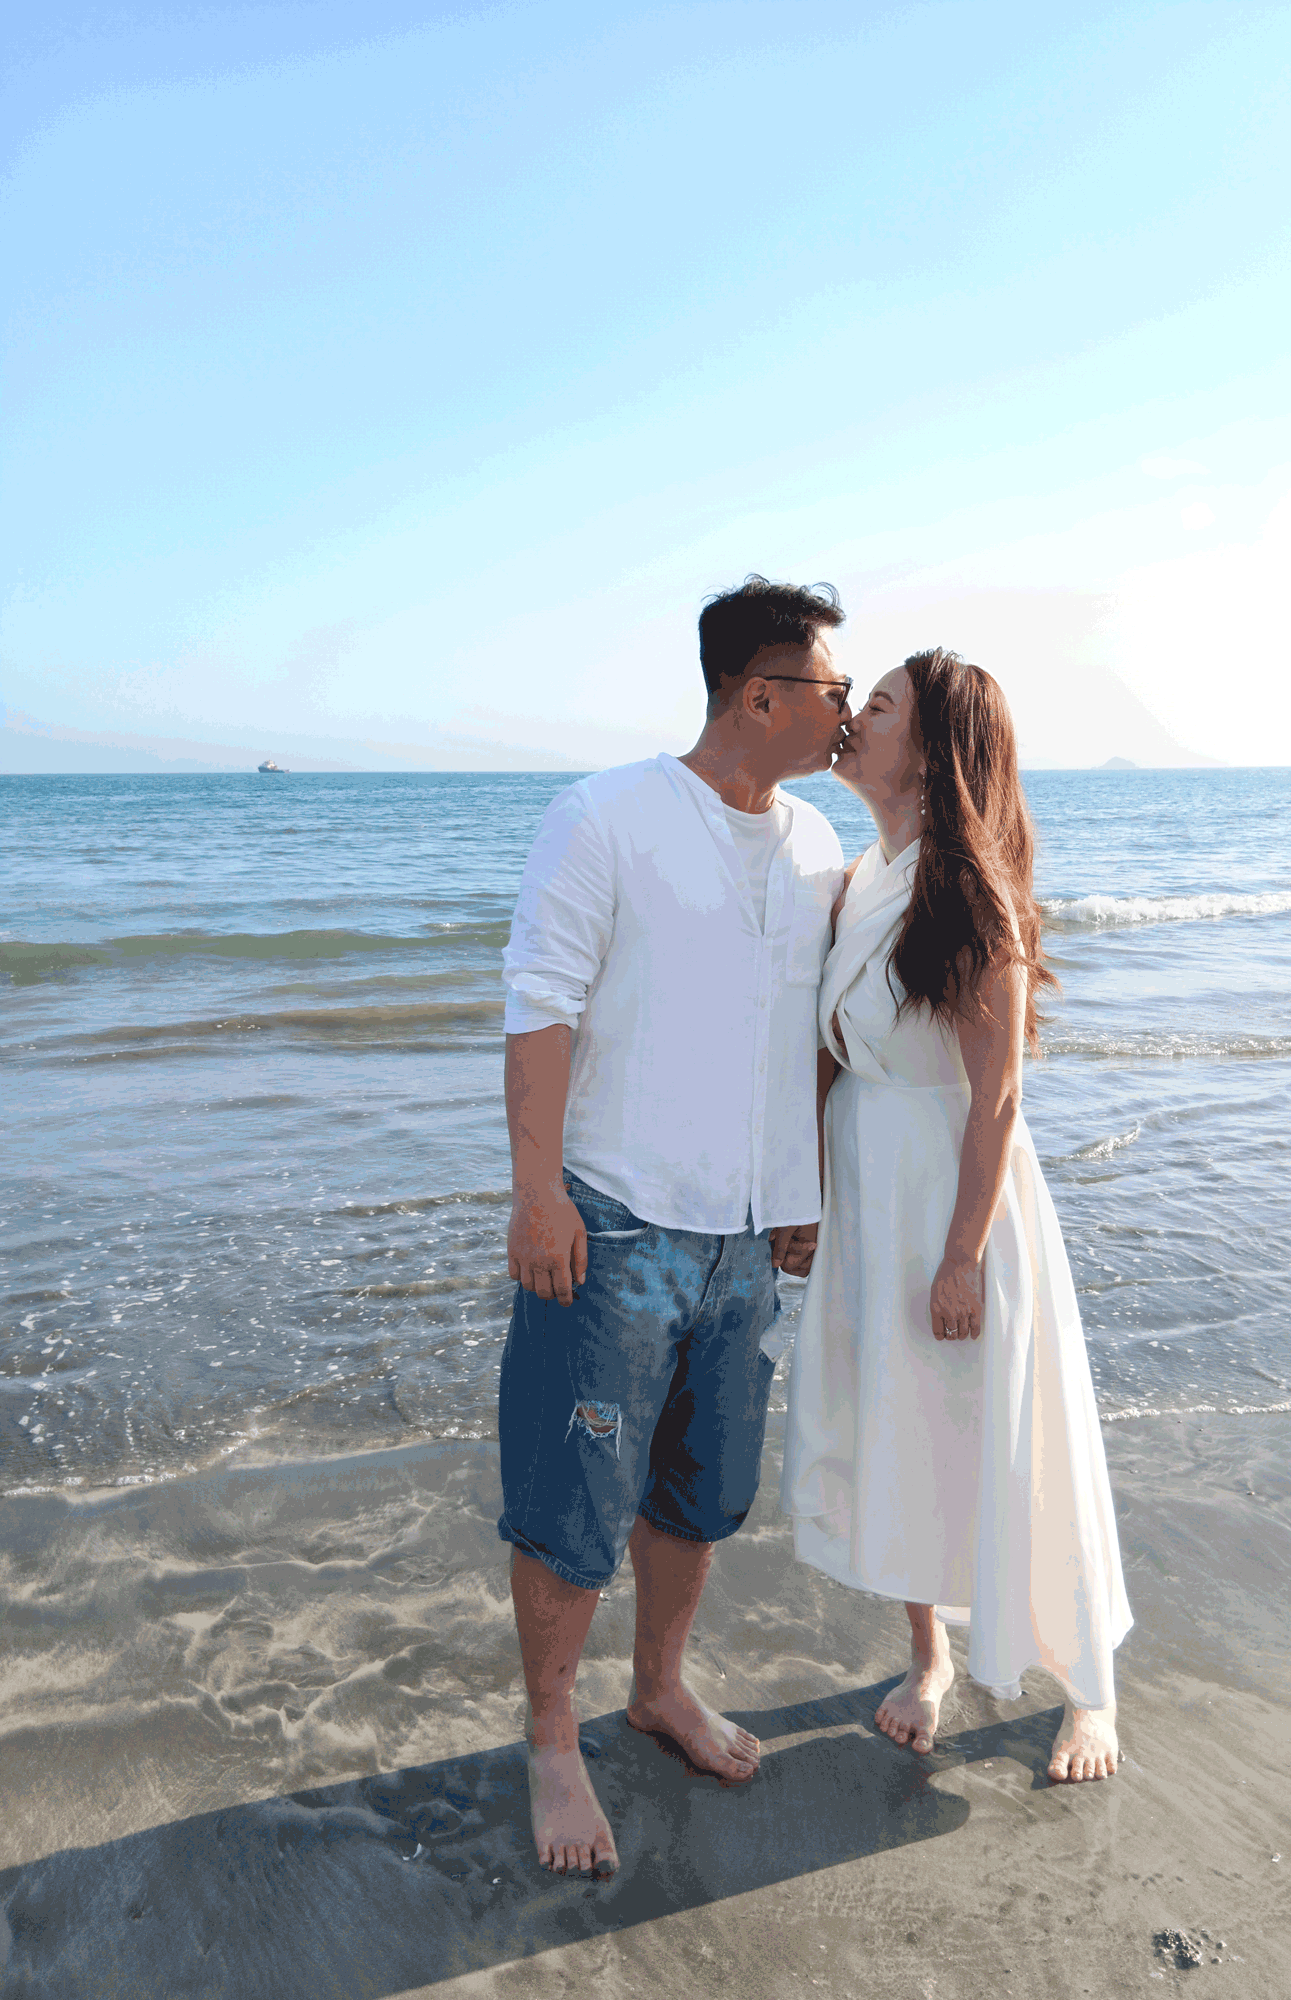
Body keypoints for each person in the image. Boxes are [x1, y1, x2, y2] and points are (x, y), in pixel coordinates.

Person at [499, 577, 850, 1875]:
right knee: (572, 1497)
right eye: (831, 689)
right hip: (614, 1220)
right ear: (760, 694)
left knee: (702, 1498)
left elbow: (814, 1039)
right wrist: (538, 1192)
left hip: (749, 1241)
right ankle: (550, 1738)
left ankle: (657, 1688)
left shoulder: (817, 845)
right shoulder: (604, 817)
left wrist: (802, 1192)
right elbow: (538, 1004)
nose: (846, 711)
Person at [781, 648, 1133, 1783]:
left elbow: (999, 1093)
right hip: (873, 1193)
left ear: (929, 754)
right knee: (899, 1423)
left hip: (957, 1201)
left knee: (1007, 1425)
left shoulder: (966, 889)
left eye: (874, 707)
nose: (850, 719)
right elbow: (832, 1061)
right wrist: (807, 1199)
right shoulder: (855, 880)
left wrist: (964, 1254)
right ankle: (927, 1655)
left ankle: (1089, 1690)